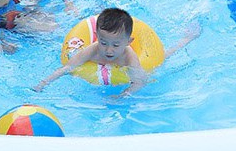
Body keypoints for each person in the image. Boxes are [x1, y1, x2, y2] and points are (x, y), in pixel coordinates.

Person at [33, 7, 200, 97]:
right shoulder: (93, 50)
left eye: (115, 45)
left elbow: (139, 82)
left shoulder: (129, 56)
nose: (108, 50)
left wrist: (122, 96)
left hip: (141, 60)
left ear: (128, 42)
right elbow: (67, 68)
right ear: (97, 36)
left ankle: (187, 38)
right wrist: (44, 83)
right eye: (103, 42)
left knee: (164, 57)